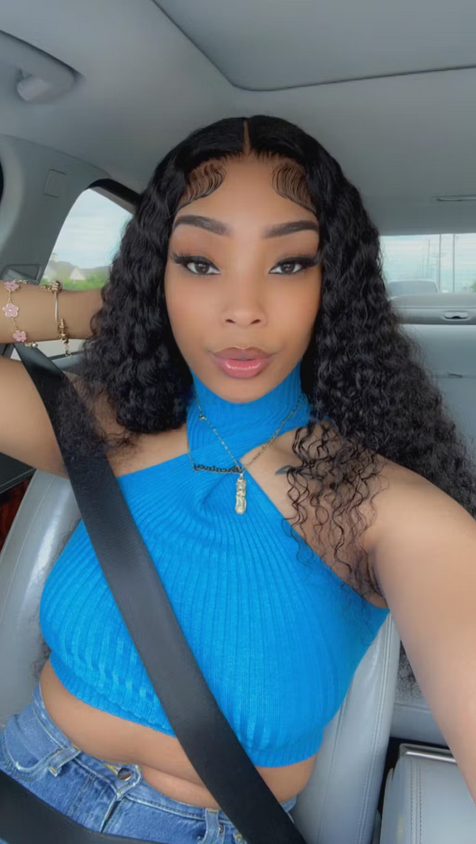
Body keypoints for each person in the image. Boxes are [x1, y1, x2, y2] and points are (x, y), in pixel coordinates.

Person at [0, 114, 475, 843]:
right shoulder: (111, 425)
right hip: (21, 775)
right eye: (198, 262)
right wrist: (126, 307)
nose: (243, 310)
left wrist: (171, 293)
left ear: (333, 286)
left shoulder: (388, 508)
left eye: (289, 264)